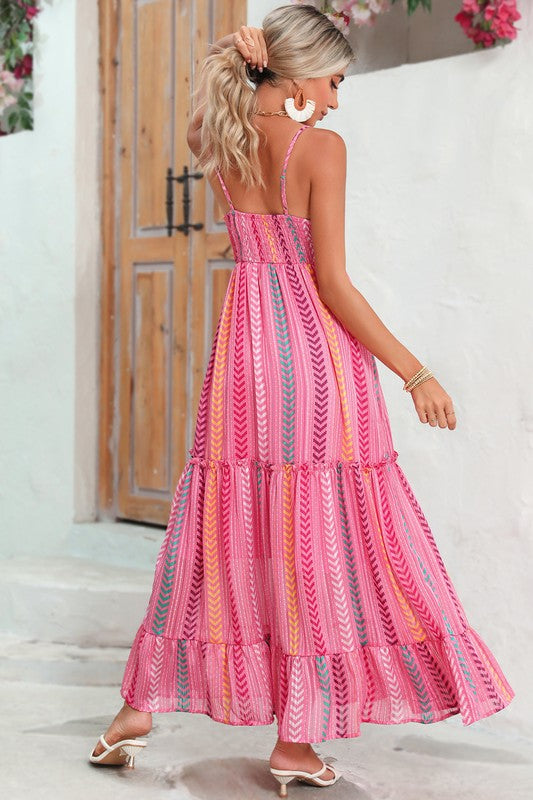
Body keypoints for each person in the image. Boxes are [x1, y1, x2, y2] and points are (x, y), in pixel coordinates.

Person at [89, 4, 515, 795]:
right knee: (317, 548)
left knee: (220, 532)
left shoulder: (214, 136)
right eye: (332, 78)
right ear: (293, 72)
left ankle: (134, 711)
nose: (337, 98)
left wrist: (241, 63)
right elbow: (331, 285)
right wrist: (415, 371)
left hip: (240, 358)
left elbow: (212, 108)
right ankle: (294, 742)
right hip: (313, 364)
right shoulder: (319, 148)